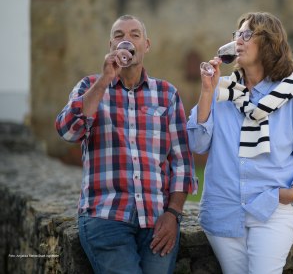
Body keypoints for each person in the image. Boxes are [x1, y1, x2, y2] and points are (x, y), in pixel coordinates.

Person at [55, 15, 197, 274]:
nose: (126, 40)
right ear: (111, 45)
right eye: (119, 36)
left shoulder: (167, 94)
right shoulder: (90, 86)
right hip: (105, 216)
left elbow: (182, 163)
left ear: (146, 45)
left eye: (134, 35)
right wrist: (104, 80)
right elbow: (67, 131)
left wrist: (173, 214)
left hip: (156, 220)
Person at [187, 11, 293, 274]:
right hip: (223, 209)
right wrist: (206, 91)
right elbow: (197, 143)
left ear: (269, 43)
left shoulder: (292, 96)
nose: (238, 40)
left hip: (272, 208)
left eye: (247, 34)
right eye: (237, 34)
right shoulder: (221, 91)